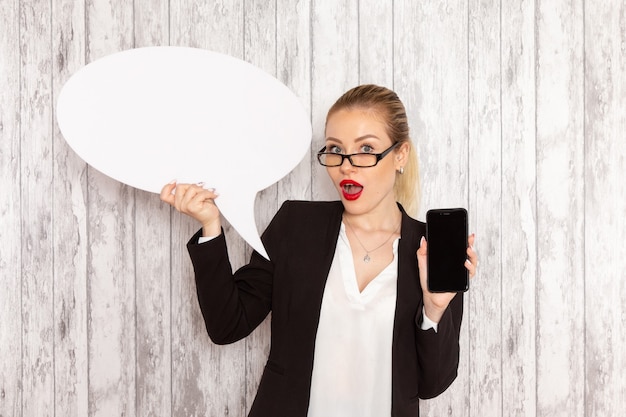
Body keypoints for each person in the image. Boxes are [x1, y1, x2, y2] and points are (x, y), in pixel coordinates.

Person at [160, 84, 478, 417]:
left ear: (400, 155)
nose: (346, 165)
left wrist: (435, 309)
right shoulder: (296, 226)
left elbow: (432, 385)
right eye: (335, 149)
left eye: (366, 148)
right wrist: (211, 225)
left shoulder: (431, 249)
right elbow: (228, 325)